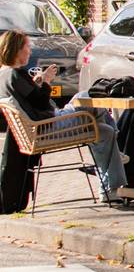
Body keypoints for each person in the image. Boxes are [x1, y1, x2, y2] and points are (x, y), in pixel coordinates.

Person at [0, 30, 126, 203]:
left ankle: (109, 190)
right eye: (27, 47)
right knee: (88, 97)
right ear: (16, 49)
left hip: (42, 126)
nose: (29, 51)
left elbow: (30, 100)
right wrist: (46, 82)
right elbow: (41, 102)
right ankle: (118, 148)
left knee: (104, 132)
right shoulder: (15, 74)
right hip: (49, 126)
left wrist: (37, 82)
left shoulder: (4, 75)